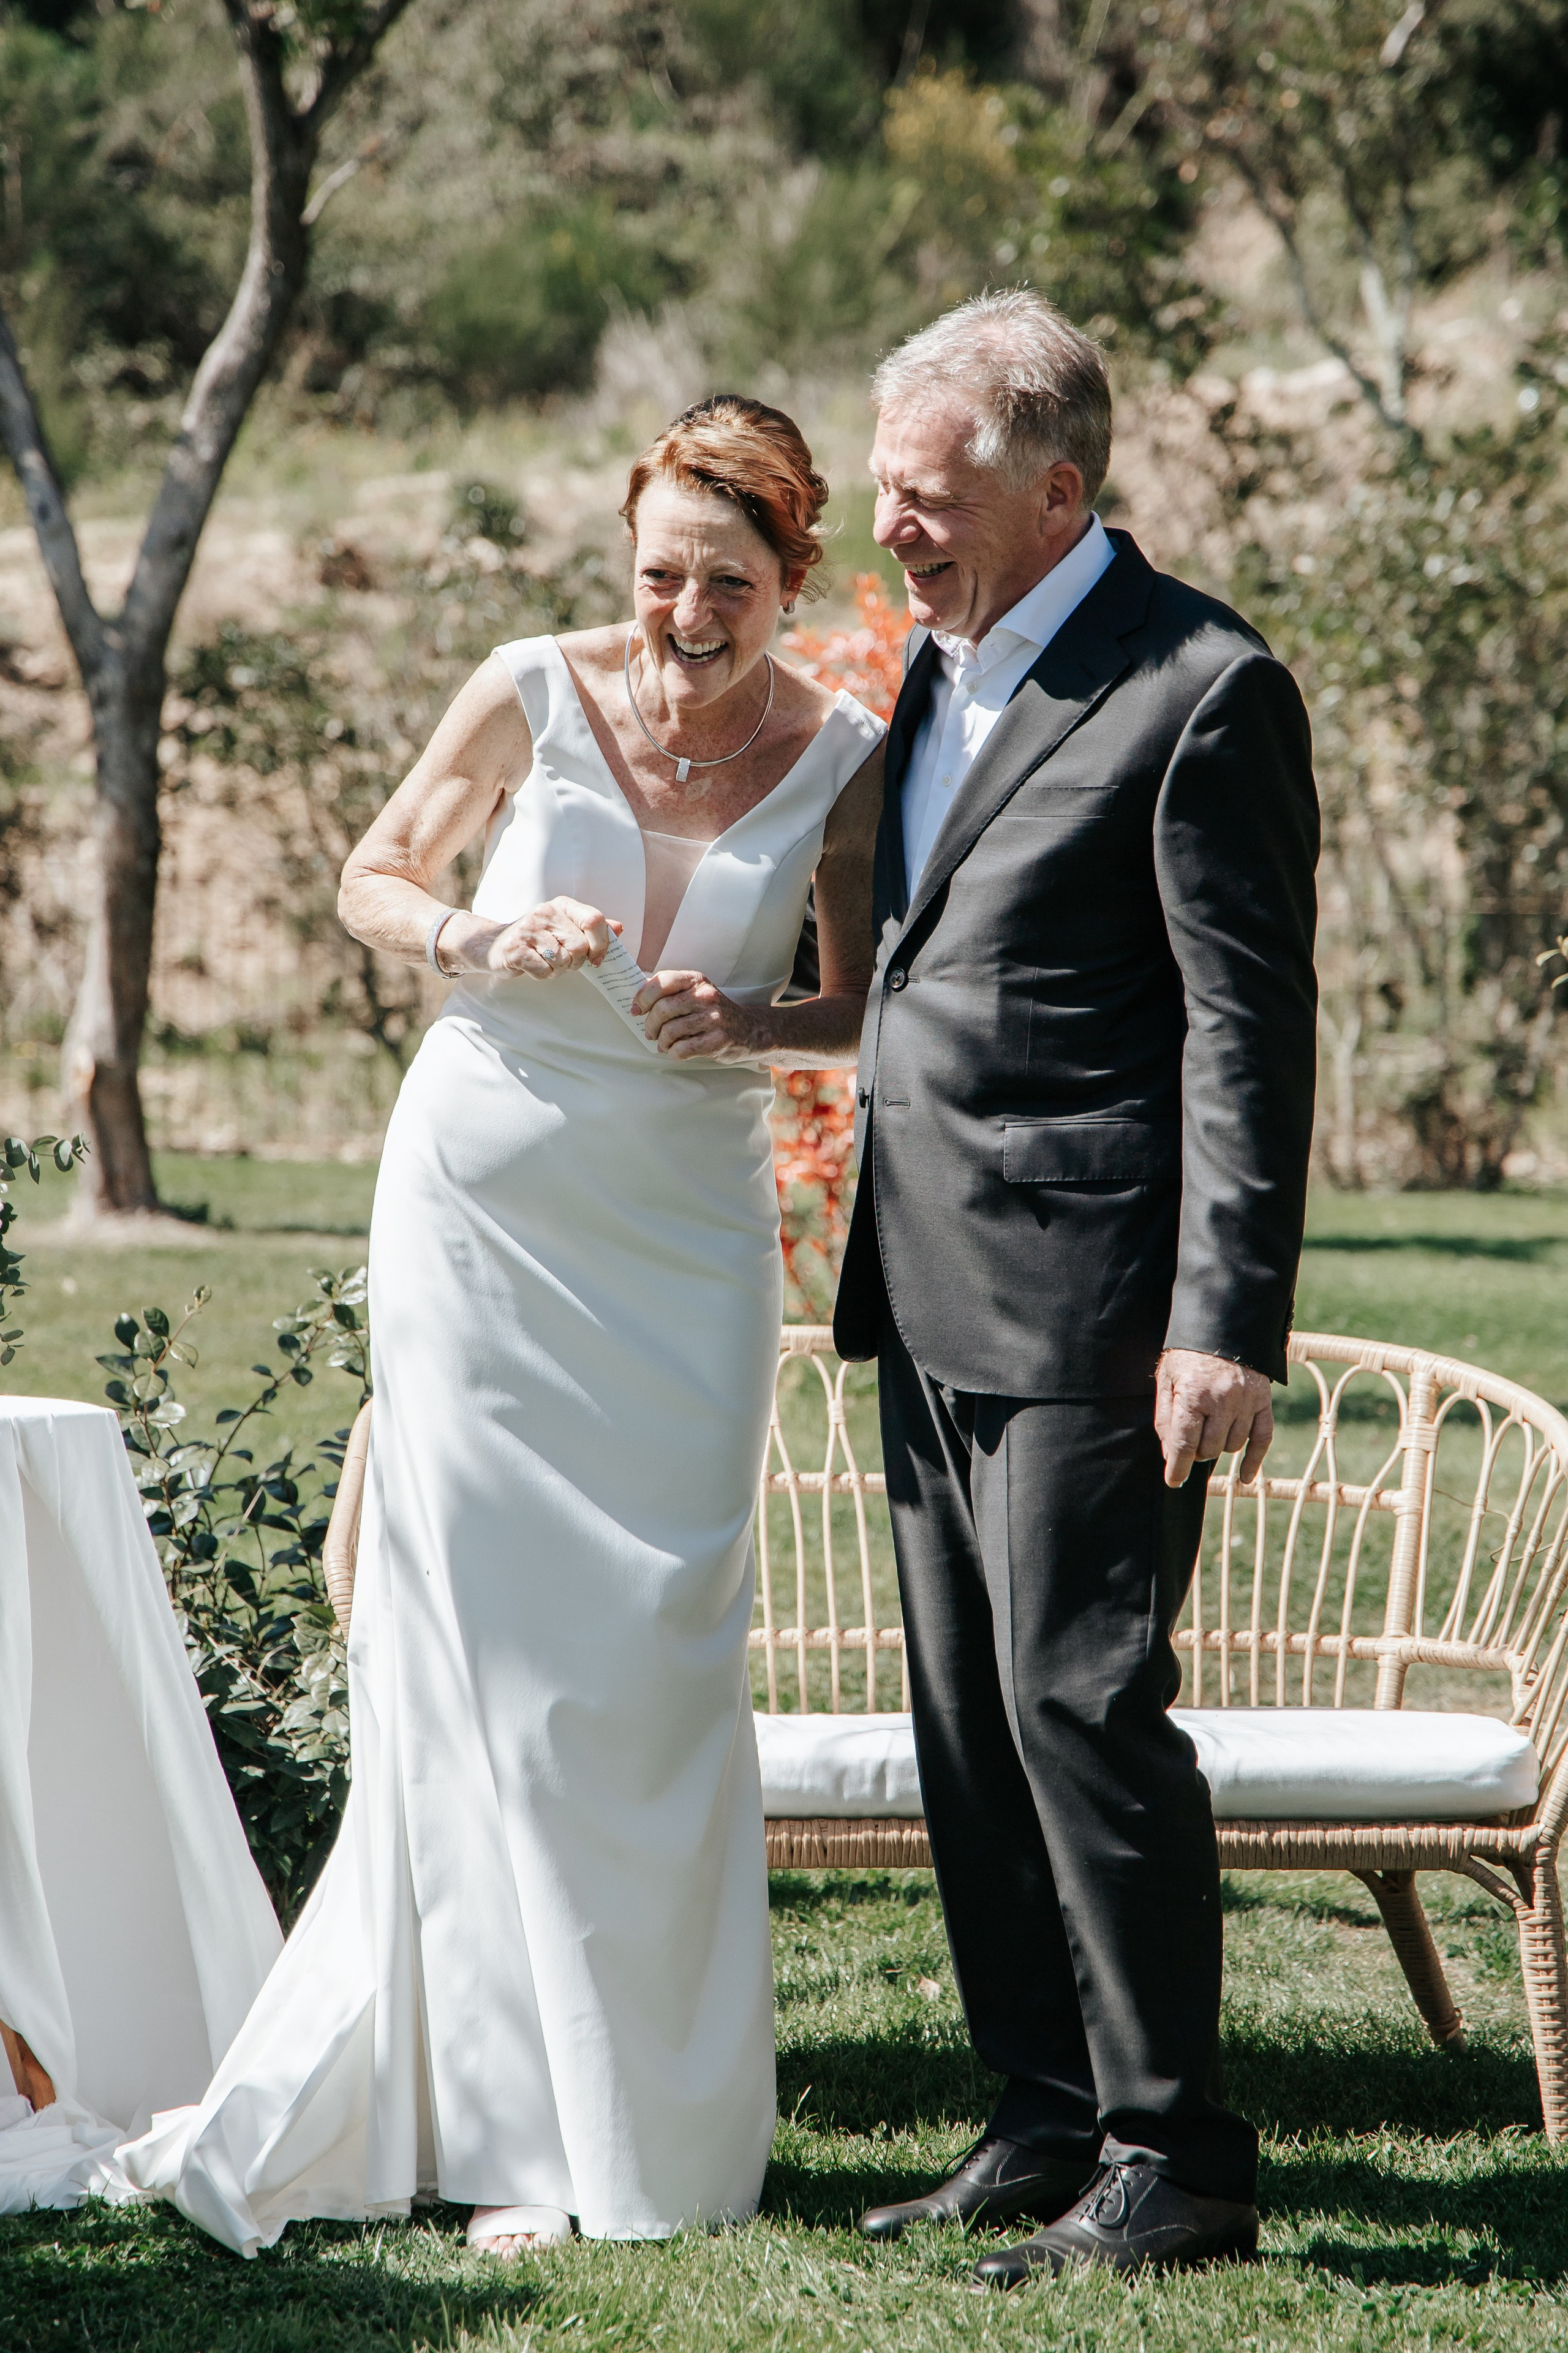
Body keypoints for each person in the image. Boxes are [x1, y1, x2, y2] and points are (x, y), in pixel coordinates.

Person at [118, 397, 885, 2257]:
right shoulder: (530, 682)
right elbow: (373, 876)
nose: (685, 615)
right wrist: (473, 939)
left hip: (683, 1233)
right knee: (472, 1645)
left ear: (792, 579)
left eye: (729, 582)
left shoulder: (850, 750)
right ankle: (483, 2112)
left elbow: (858, 1002)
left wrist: (757, 1029)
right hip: (480, 1190)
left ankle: (657, 2124)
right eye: (659, 574)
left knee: (649, 1641)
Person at [831, 291, 1319, 2286]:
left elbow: (1247, 1033)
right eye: (881, 495)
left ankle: (1174, 2149)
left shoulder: (1204, 686)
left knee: (1085, 1703)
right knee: (970, 1723)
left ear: (1058, 486)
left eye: (929, 497)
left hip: (1101, 1306)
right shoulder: (929, 681)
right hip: (925, 1287)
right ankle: (1037, 2116)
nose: (894, 532)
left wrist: (1228, 1318)